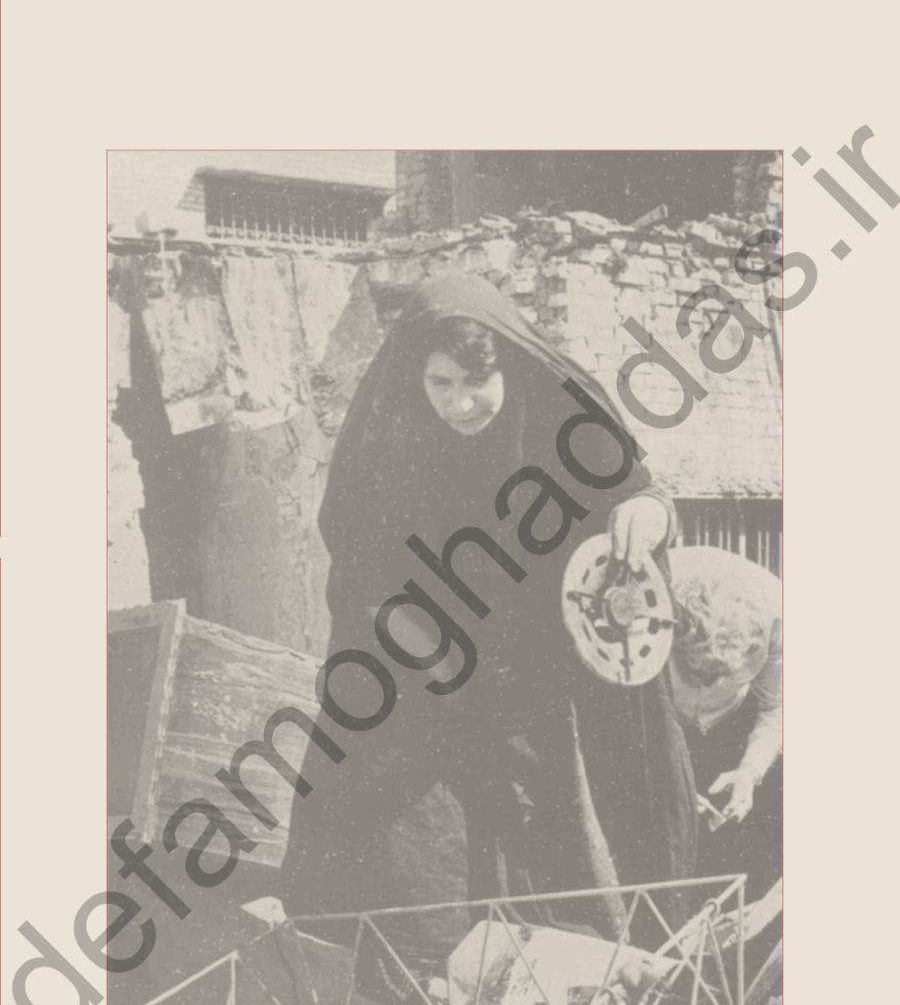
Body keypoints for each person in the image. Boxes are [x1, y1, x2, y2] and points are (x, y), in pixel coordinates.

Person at [280, 273, 697, 940]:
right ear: (415, 374)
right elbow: (361, 565)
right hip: (420, 657)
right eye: (440, 382)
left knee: (549, 826)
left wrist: (648, 514)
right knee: (412, 838)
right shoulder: (387, 434)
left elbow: (637, 493)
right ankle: (404, 961)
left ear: (514, 366)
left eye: (478, 382)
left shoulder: (563, 414)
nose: (460, 403)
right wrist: (433, 656)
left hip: (535, 661)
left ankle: (570, 958)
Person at [668, 545, 782, 899]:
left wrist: (749, 772)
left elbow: (778, 707)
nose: (705, 685)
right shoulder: (657, 590)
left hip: (733, 728)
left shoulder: (780, 615)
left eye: (718, 676)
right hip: (659, 722)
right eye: (697, 672)